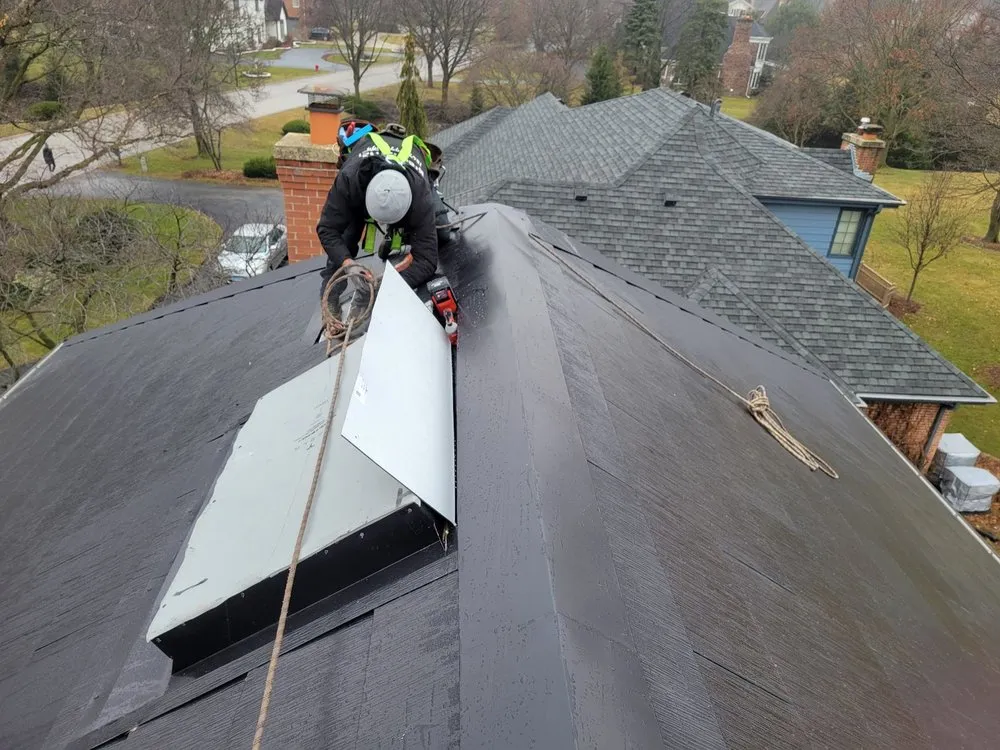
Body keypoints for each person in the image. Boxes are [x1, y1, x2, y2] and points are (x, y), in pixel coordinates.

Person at [316, 128, 438, 310]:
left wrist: (388, 285)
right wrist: (347, 263)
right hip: (361, 190)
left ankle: (393, 238)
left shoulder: (421, 197)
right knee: (346, 239)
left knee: (442, 235)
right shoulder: (349, 180)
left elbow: (427, 260)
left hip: (410, 188)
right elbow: (327, 229)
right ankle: (330, 299)